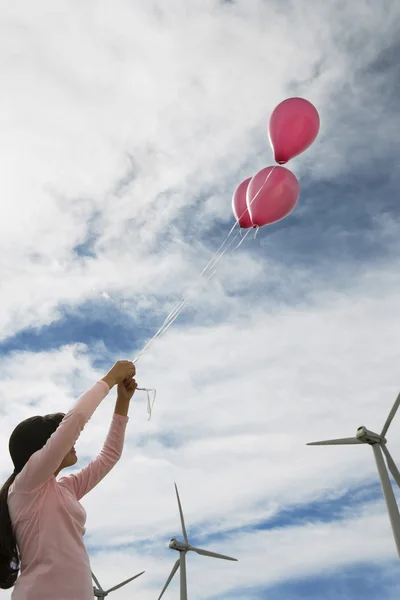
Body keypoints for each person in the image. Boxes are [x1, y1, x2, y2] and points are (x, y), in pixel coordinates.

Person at [0, 359, 137, 599]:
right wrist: (110, 379)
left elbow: (109, 456)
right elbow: (76, 419)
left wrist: (122, 402)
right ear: (43, 449)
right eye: (61, 437)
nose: (73, 442)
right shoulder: (25, 485)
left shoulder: (66, 488)